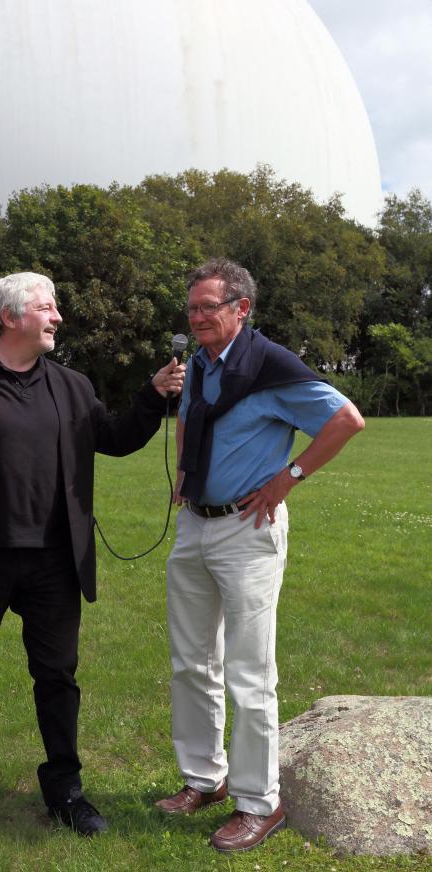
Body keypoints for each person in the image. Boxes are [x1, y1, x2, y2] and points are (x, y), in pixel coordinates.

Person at [0, 271, 185, 848]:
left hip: (55, 564)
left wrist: (152, 395)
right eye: (47, 307)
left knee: (57, 678)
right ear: (10, 317)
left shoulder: (73, 386)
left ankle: (66, 794)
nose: (57, 317)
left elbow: (114, 437)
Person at [155, 258, 365, 853]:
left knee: (250, 671)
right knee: (191, 662)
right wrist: (187, 474)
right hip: (196, 525)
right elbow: (189, 413)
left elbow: (348, 420)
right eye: (191, 307)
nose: (195, 317)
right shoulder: (197, 364)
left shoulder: (270, 362)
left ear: (240, 309)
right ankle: (204, 778)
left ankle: (259, 803)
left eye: (207, 308)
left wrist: (288, 476)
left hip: (249, 530)